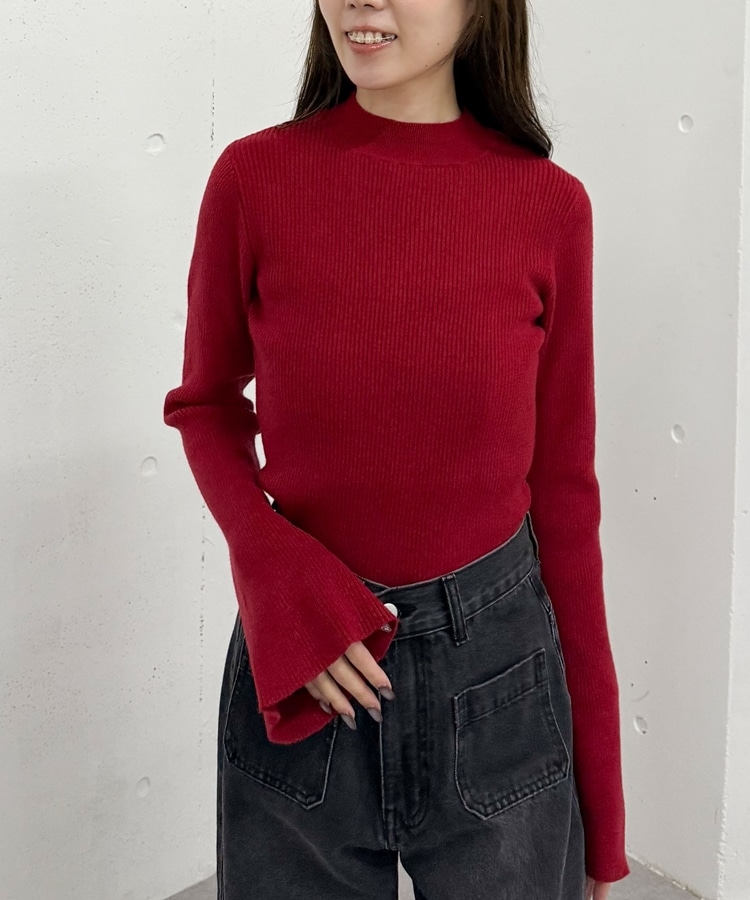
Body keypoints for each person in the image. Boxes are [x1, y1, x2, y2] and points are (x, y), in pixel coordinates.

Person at [163, 1, 630, 897]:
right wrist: (271, 565)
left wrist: (602, 810)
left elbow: (565, 491)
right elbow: (206, 404)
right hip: (304, 661)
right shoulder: (254, 179)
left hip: (499, 673)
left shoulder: (548, 205)